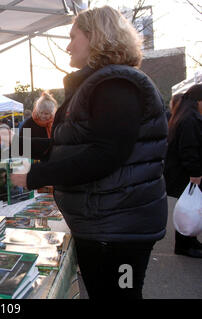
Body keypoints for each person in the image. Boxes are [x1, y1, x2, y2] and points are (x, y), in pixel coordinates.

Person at [11, 6, 168, 299]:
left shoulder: (116, 85)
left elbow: (105, 155)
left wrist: (35, 175)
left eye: (73, 36)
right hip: (109, 223)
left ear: (95, 37)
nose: (68, 45)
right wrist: (13, 145)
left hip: (118, 229)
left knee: (119, 295)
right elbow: (73, 146)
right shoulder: (104, 83)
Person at [164, 84, 202, 258]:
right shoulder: (191, 120)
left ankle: (189, 241)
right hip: (188, 174)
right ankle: (186, 244)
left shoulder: (183, 116)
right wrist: (195, 173)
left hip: (181, 172)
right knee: (191, 207)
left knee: (190, 207)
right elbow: (189, 149)